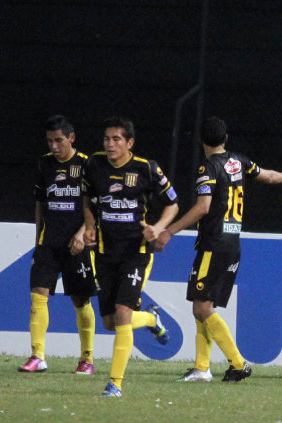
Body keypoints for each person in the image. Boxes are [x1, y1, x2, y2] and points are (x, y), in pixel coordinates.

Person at [155, 116, 282, 383]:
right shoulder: (239, 160)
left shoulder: (207, 167)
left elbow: (203, 207)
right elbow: (267, 176)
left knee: (201, 308)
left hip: (214, 244)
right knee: (203, 307)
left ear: (202, 140)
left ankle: (238, 363)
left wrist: (169, 231)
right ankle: (202, 368)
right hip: (232, 244)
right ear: (226, 138)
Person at [82, 116, 179, 397]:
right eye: (106, 139)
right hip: (104, 252)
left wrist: (158, 228)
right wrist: (89, 225)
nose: (110, 145)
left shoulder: (147, 169)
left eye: (116, 139)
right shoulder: (95, 165)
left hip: (136, 253)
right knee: (111, 322)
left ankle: (115, 383)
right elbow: (87, 199)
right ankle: (151, 320)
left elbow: (173, 203)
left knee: (123, 314)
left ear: (130, 143)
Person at [19, 115, 97, 375]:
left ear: (71, 138)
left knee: (81, 301)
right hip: (48, 244)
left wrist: (83, 232)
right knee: (37, 296)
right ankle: (37, 355)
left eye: (59, 140)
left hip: (78, 245)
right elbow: (40, 202)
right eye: (50, 141)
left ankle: (86, 359)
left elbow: (95, 206)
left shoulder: (87, 165)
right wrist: (37, 239)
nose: (54, 146)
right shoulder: (45, 164)